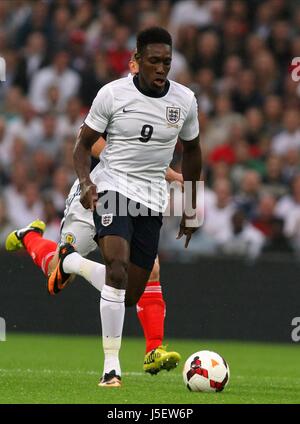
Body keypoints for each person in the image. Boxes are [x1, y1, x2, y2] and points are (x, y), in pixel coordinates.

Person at [5, 52, 184, 378]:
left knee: (149, 269)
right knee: (58, 279)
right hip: (93, 197)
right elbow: (92, 143)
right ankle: (31, 237)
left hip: (125, 204)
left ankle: (153, 350)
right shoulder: (115, 99)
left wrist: (166, 171)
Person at [68, 26, 201, 387]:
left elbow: (193, 152)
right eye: (154, 61)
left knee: (129, 295)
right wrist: (87, 183)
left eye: (167, 62)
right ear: (137, 61)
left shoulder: (185, 101)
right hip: (112, 187)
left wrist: (191, 206)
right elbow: (82, 145)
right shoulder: (111, 95)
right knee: (115, 267)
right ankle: (111, 367)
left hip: (152, 199)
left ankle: (74, 262)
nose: (161, 68)